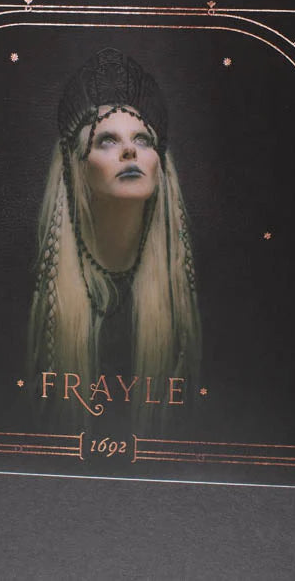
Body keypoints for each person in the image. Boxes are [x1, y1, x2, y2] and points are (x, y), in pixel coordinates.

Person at [27, 48, 201, 422]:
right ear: (76, 167)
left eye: (143, 140)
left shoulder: (195, 284)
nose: (129, 152)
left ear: (159, 165)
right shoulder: (27, 285)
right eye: (106, 140)